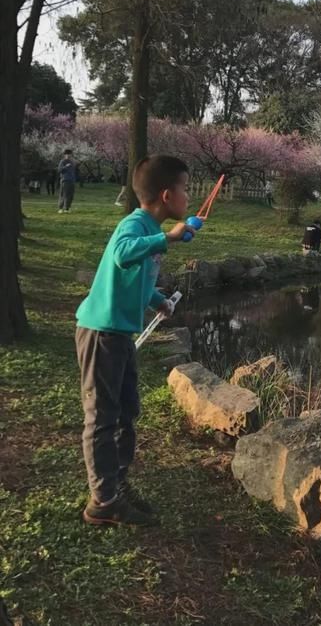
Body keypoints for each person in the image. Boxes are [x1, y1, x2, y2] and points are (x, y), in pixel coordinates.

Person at [75, 155, 195, 527]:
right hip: (101, 333)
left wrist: (158, 300)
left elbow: (136, 281)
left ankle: (117, 484)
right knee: (102, 418)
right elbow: (123, 255)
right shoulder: (135, 224)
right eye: (185, 189)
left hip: (121, 334)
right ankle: (103, 502)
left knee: (128, 412)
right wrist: (166, 237)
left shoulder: (150, 229)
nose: (189, 197)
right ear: (166, 195)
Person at [57, 149, 77, 213]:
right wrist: (65, 166)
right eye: (67, 154)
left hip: (72, 180)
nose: (68, 155)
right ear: (64, 155)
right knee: (63, 194)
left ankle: (67, 208)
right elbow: (59, 170)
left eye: (69, 154)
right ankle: (60, 208)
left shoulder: (72, 162)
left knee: (70, 195)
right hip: (65, 180)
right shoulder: (62, 161)